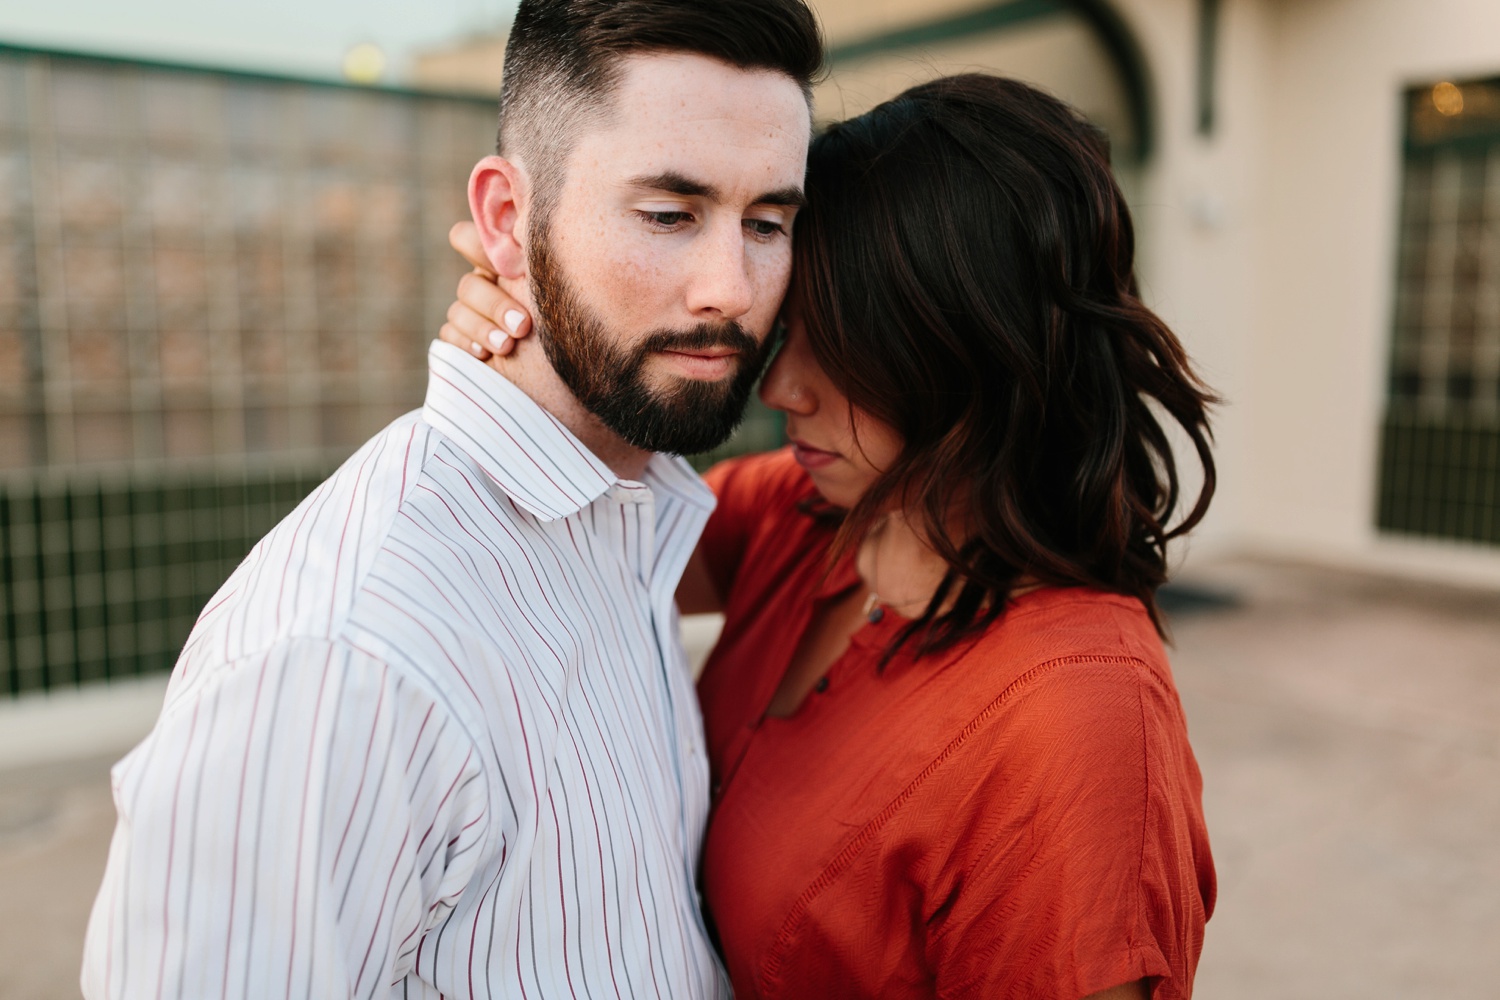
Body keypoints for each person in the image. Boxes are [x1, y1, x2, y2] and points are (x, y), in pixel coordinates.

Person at [80, 1, 822, 997]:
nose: (730, 286)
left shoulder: (632, 522)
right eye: (668, 215)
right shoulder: (345, 652)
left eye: (767, 222)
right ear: (507, 223)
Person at [439, 75, 1218, 998]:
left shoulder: (1073, 724)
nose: (779, 392)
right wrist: (531, 333)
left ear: (972, 343)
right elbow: (569, 537)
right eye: (785, 332)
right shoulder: (814, 516)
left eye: (838, 346)